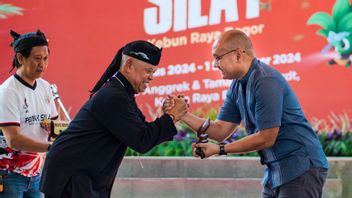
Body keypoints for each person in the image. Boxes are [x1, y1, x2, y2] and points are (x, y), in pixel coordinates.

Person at [166, 29, 329, 198]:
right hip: (275, 171)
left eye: (217, 58)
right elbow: (220, 130)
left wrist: (219, 149)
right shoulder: (236, 86)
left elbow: (267, 137)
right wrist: (182, 114)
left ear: (238, 54)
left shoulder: (266, 81)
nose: (215, 64)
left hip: (301, 166)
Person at [40, 40, 188, 198]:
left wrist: (165, 115)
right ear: (129, 65)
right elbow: (142, 140)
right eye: (148, 70)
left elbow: (141, 130)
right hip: (71, 175)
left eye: (153, 72)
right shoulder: (114, 96)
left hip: (79, 173)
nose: (151, 77)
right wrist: (172, 116)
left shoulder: (120, 91)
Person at [0, 30, 58, 198]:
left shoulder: (46, 87)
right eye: (37, 58)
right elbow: (14, 140)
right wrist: (52, 147)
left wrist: (55, 130)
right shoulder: (8, 92)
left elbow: (56, 126)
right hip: (9, 174)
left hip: (36, 173)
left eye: (45, 58)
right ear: (20, 58)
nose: (43, 64)